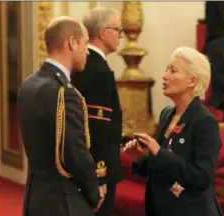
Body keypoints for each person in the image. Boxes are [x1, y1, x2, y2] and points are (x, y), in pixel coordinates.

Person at [17, 16, 104, 216]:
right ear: (72, 43)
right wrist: (93, 192)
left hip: (35, 198)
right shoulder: (64, 93)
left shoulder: (29, 84)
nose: (87, 52)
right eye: (85, 44)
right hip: (64, 202)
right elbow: (76, 153)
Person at [124, 46, 223, 216]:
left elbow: (202, 178)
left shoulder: (205, 122)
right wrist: (141, 159)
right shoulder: (167, 114)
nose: (165, 76)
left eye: (173, 71)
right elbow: (161, 169)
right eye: (166, 69)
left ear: (192, 80)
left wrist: (158, 152)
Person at [71, 7, 123, 216]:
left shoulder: (83, 63)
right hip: (96, 170)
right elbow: (96, 128)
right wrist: (99, 176)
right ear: (103, 32)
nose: (120, 36)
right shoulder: (98, 70)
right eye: (118, 30)